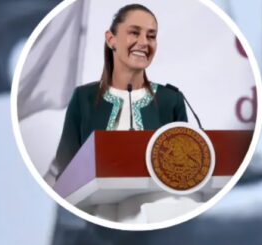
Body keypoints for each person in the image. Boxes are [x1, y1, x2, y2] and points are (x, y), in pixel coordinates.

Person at [49, 3, 191, 181]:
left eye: (151, 36)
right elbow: (65, 169)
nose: (144, 42)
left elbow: (186, 168)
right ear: (111, 39)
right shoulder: (83, 98)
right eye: (134, 33)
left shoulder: (171, 100)